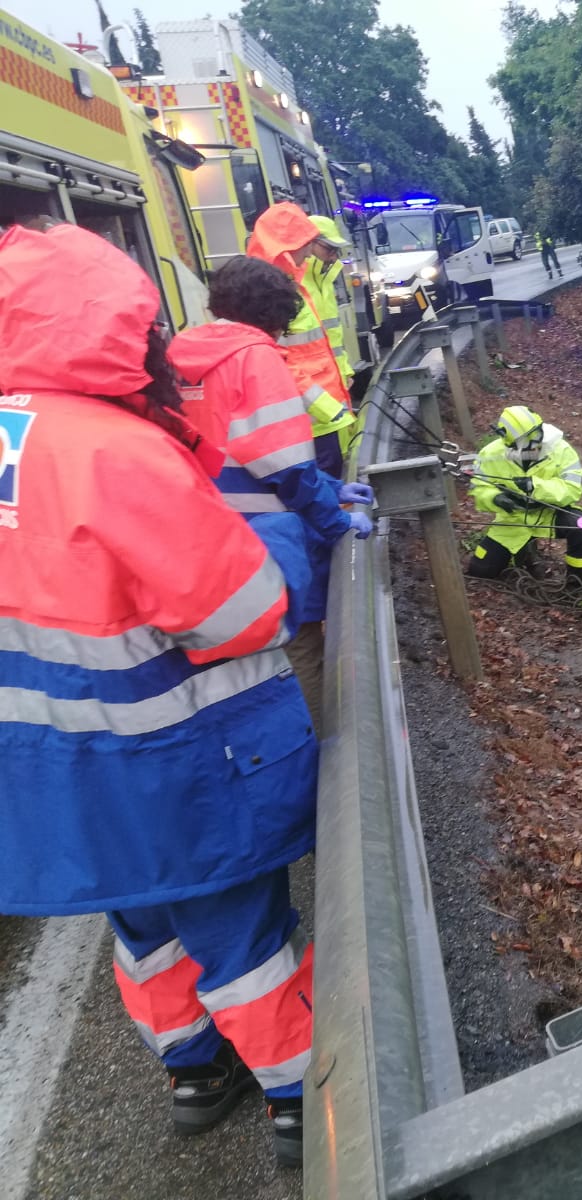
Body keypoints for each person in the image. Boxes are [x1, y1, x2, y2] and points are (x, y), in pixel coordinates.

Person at [0, 222, 318, 1166]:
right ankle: (303, 1098)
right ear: (104, 327)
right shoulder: (110, 450)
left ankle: (191, 1072)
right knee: (241, 935)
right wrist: (292, 546)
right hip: (174, 765)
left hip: (52, 776)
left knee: (141, 926)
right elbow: (240, 613)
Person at [168, 255, 375, 732]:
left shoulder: (183, 355)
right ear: (275, 316)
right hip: (265, 540)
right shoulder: (256, 360)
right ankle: (326, 764)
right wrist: (337, 518)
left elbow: (237, 451)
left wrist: (332, 484)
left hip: (204, 534)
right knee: (299, 644)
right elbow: (286, 468)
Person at [246, 201, 355, 476]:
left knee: (329, 486)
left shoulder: (292, 283)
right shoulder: (272, 290)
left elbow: (326, 344)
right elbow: (277, 360)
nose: (308, 253)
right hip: (306, 418)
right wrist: (326, 407)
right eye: (306, 244)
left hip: (320, 414)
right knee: (319, 490)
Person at [467, 405, 582, 587]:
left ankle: (577, 584)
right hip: (513, 519)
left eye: (536, 435)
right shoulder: (491, 454)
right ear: (511, 441)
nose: (536, 443)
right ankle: (525, 553)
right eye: (528, 440)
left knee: (581, 525)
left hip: (548, 514)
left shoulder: (561, 450)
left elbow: (572, 489)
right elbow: (479, 487)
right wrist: (495, 498)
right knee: (480, 571)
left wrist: (535, 486)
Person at [304, 214, 355, 393]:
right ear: (309, 243)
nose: (334, 257)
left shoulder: (323, 283)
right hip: (310, 392)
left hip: (331, 385)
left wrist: (344, 372)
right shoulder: (294, 284)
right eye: (329, 249)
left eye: (336, 251)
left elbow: (333, 341)